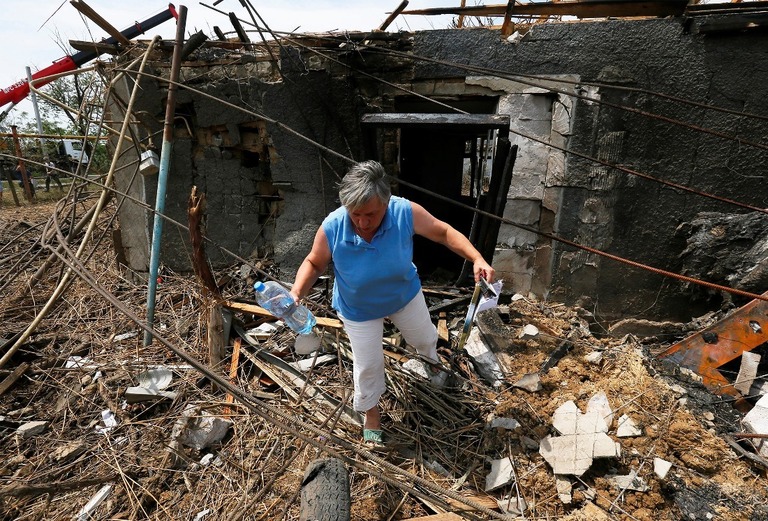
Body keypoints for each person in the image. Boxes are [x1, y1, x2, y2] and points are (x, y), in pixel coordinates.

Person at [289, 160, 495, 444]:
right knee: (368, 365)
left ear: (386, 202)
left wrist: (477, 258)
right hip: (358, 308)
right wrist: (296, 293)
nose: (362, 222)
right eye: (356, 214)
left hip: (403, 296)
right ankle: (371, 413)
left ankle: (431, 362)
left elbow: (444, 232)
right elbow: (314, 262)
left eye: (370, 214)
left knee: (424, 338)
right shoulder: (333, 226)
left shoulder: (404, 212)